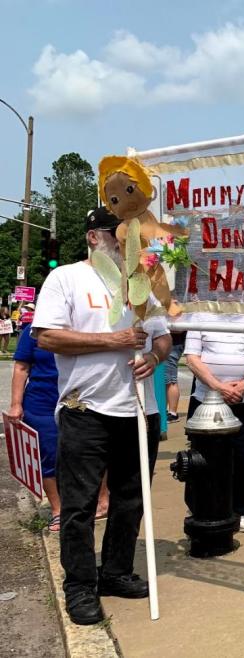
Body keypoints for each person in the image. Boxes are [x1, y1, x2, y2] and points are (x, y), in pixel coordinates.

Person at [32, 206, 171, 626]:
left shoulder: (144, 282)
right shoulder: (66, 278)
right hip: (85, 409)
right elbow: (47, 336)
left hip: (137, 408)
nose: (129, 240)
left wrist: (152, 356)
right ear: (95, 237)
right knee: (80, 504)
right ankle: (79, 584)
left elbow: (163, 338)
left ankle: (115, 571)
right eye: (119, 233)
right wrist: (114, 339)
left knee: (131, 499)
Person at [184, 320, 244, 532]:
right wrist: (218, 387)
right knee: (203, 458)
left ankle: (241, 510)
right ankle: (201, 506)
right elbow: (192, 358)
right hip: (207, 398)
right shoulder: (201, 314)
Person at [7, 321, 61, 530]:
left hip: (80, 399)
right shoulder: (32, 330)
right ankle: (58, 509)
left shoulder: (82, 324)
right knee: (48, 455)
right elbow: (21, 367)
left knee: (88, 453)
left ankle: (99, 501)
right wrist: (16, 404)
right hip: (42, 403)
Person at [165, 328, 186, 422]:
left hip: (173, 344)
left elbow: (179, 329)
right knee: (165, 379)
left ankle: (172, 413)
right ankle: (166, 410)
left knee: (170, 379)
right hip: (169, 343)